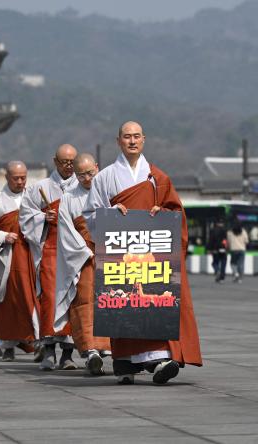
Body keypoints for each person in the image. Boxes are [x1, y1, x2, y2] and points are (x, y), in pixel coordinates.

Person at [82, 120, 202, 384]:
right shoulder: (105, 178)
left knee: (153, 302)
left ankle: (158, 360)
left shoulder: (157, 178)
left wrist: (163, 214)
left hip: (151, 257)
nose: (132, 141)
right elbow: (89, 216)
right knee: (124, 303)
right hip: (120, 256)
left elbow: (177, 213)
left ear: (144, 140)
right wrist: (111, 214)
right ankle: (124, 361)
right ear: (118, 141)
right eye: (127, 137)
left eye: (137, 136)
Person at [20, 144, 79, 370]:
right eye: (64, 162)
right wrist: (43, 217)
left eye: (72, 161)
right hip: (51, 250)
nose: (68, 166)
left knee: (73, 298)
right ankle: (48, 350)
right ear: (55, 161)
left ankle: (68, 354)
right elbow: (25, 216)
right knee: (51, 298)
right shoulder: (40, 187)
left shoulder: (82, 185)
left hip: (75, 250)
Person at [55, 153, 110, 375]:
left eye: (90, 173)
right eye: (81, 175)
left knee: (112, 297)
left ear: (97, 167)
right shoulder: (69, 197)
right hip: (84, 256)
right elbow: (66, 230)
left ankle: (111, 347)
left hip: (109, 253)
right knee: (84, 300)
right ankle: (90, 352)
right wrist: (84, 251)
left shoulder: (109, 190)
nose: (87, 179)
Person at [0, 161, 39, 362]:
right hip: (6, 258)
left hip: (31, 255)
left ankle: (38, 341)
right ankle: (7, 345)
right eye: (16, 178)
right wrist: (3, 236)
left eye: (24, 177)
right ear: (7, 177)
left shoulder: (34, 198)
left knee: (32, 298)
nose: (21, 181)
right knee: (7, 302)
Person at [208, 218, 228, 283]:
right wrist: (225, 247)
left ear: (216, 223)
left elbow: (211, 240)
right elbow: (226, 240)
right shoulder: (225, 230)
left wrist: (209, 249)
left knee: (215, 262)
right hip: (223, 249)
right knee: (223, 262)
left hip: (215, 249)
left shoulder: (213, 230)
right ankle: (222, 277)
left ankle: (217, 271)